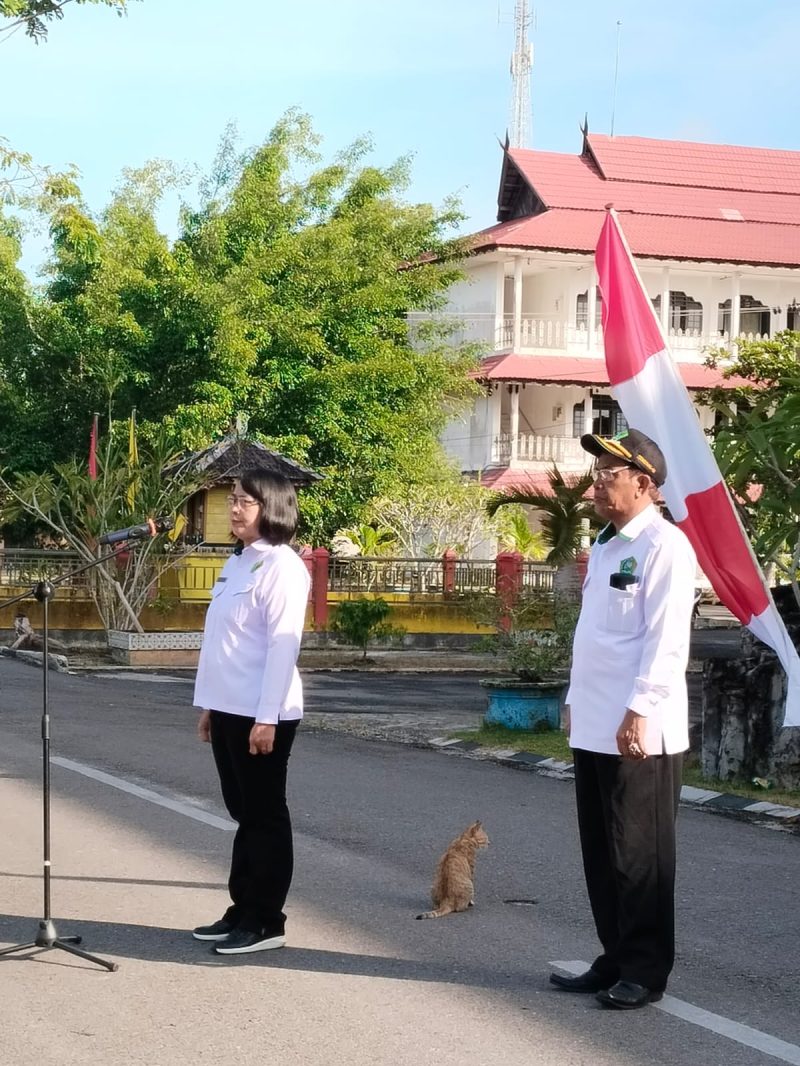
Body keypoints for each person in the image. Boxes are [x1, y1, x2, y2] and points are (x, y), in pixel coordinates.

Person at [550, 428, 696, 1010]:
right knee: (601, 850)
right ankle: (614, 955)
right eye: (598, 473)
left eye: (608, 474)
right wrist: (572, 698)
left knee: (640, 855)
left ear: (644, 483)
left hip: (642, 729)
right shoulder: (609, 547)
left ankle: (645, 969)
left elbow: (665, 642)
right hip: (595, 722)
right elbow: (595, 638)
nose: (596, 483)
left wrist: (638, 709)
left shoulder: (665, 547)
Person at [192, 468, 310, 955]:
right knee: (243, 812)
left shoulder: (284, 567)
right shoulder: (238, 563)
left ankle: (266, 920)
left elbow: (283, 648)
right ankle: (241, 908)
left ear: (273, 508)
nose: (233, 508)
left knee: (264, 814)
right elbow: (220, 643)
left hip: (265, 711)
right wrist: (209, 708)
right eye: (233, 500)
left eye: (245, 501)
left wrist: (267, 717)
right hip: (229, 707)